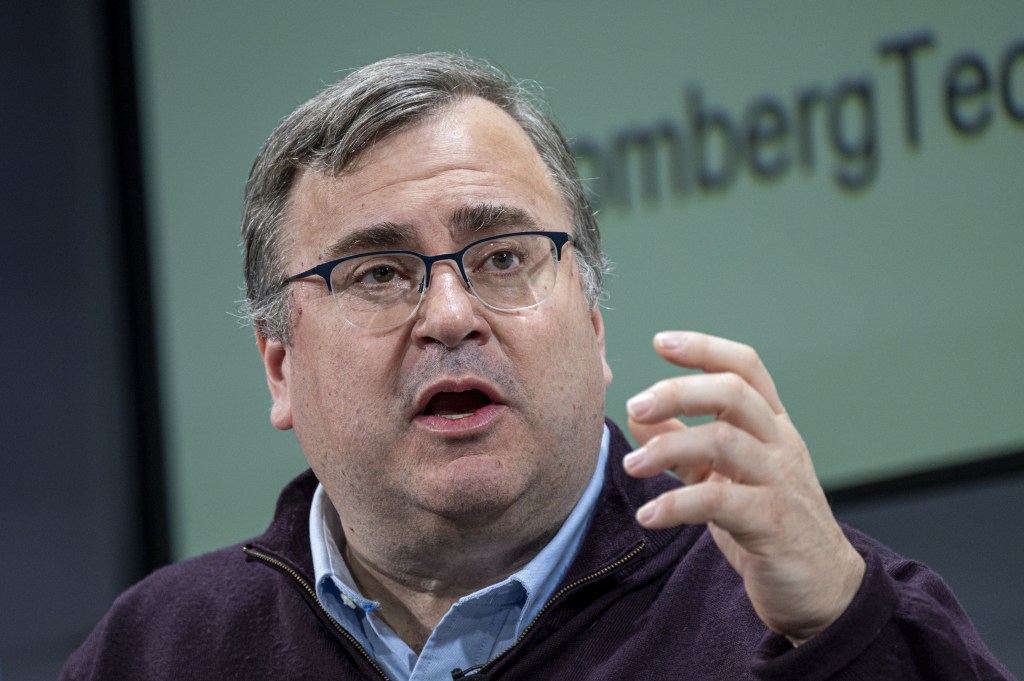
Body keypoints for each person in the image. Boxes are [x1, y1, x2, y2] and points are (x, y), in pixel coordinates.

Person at [62, 53, 1014, 681]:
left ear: (595, 323)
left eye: (505, 257)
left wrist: (852, 637)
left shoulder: (792, 613)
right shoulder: (162, 650)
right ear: (280, 365)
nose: (449, 314)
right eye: (380, 272)